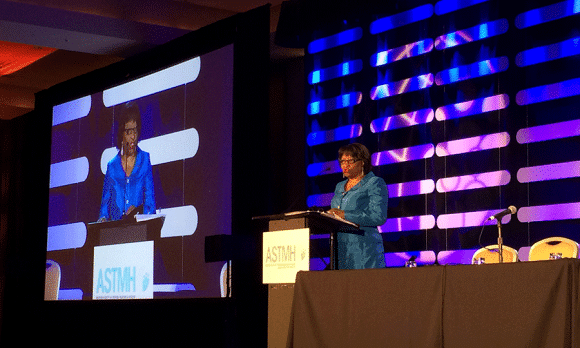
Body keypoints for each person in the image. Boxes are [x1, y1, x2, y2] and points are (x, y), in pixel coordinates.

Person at [327, 143, 388, 269]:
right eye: (342, 161)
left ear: (363, 162)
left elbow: (378, 216)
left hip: (364, 250)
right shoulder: (339, 186)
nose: (345, 165)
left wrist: (345, 215)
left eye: (350, 161)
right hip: (340, 250)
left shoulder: (374, 183)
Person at [98, 102, 156, 221]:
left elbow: (150, 203)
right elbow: (104, 209)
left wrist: (139, 213)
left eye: (135, 131)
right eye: (129, 131)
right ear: (122, 133)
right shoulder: (112, 166)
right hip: (116, 234)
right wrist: (103, 219)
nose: (133, 137)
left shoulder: (145, 160)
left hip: (140, 232)